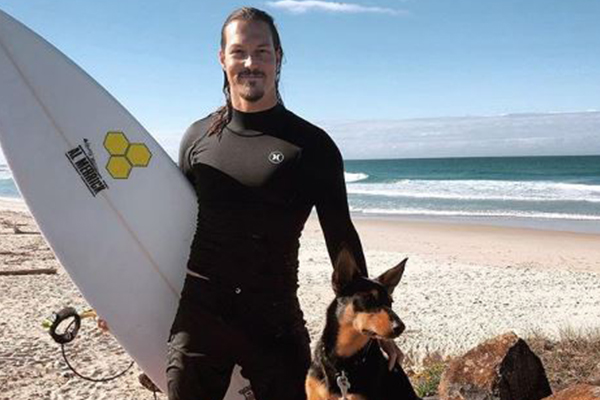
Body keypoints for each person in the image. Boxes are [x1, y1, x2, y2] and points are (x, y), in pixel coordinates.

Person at [166, 7, 405, 400]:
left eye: (262, 52)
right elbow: (173, 222)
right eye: (239, 51)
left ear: (278, 58)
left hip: (273, 319)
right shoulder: (197, 139)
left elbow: (340, 236)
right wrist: (127, 302)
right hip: (201, 316)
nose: (250, 63)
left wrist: (370, 320)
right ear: (222, 58)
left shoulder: (312, 146)